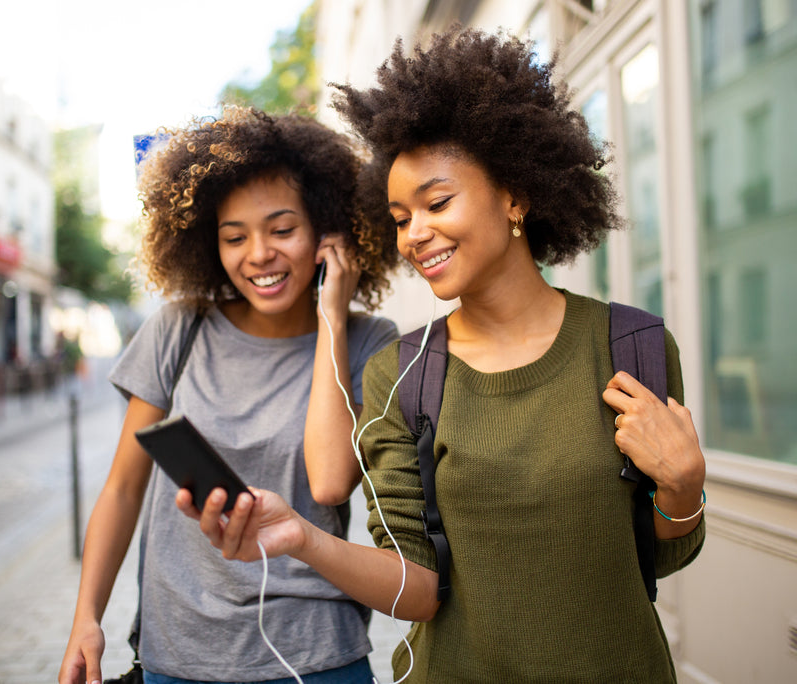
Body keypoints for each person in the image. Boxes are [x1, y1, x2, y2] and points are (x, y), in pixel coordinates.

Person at [178, 28, 706, 682]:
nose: (414, 235)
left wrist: (683, 488)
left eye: (436, 202)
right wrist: (303, 539)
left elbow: (662, 557)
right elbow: (419, 588)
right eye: (400, 217)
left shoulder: (632, 346)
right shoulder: (403, 374)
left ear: (514, 194)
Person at [57, 106, 400, 684]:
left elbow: (330, 482)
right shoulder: (177, 329)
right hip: (181, 653)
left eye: (282, 230)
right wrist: (86, 618)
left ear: (327, 232)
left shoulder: (369, 342)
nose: (258, 254)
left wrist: (333, 320)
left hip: (317, 656)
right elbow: (120, 489)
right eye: (234, 237)